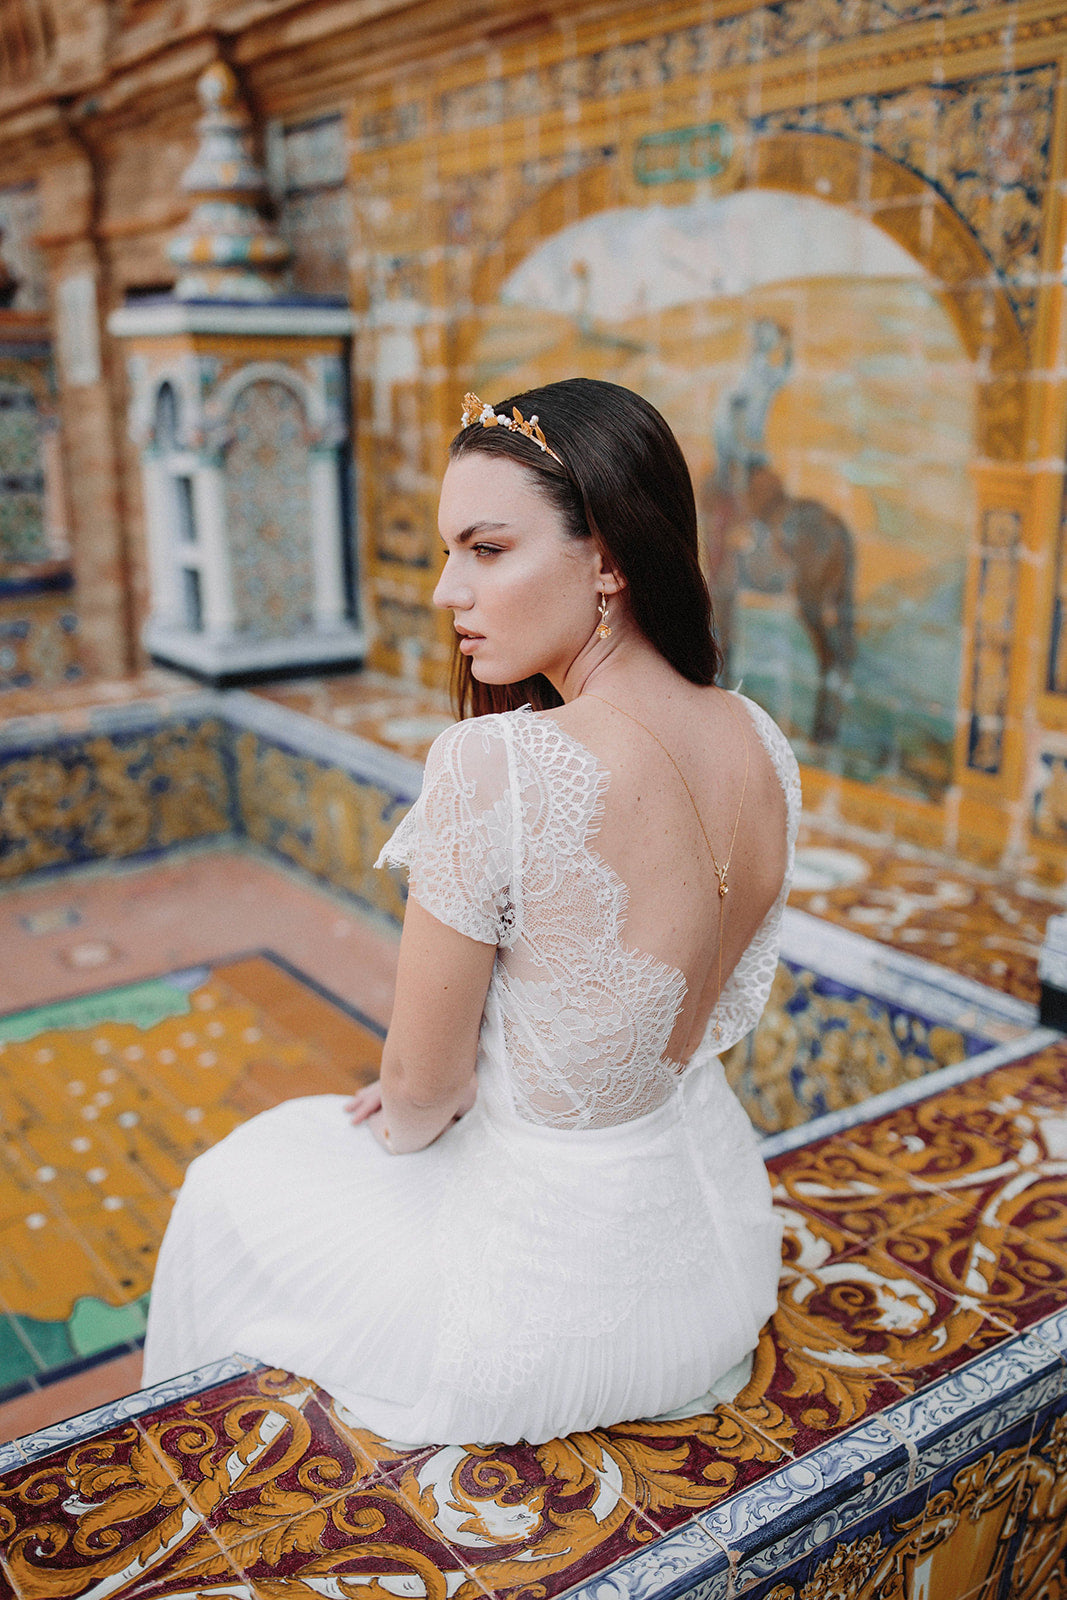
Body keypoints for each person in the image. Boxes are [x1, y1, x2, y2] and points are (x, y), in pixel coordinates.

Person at [142, 377, 800, 1447]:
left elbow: (420, 1088)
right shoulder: (758, 741)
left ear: (609, 559)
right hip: (718, 1256)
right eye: (450, 551)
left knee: (231, 1185)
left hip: (548, 1311)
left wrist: (405, 1111)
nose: (448, 589)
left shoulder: (495, 764)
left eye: (487, 551)